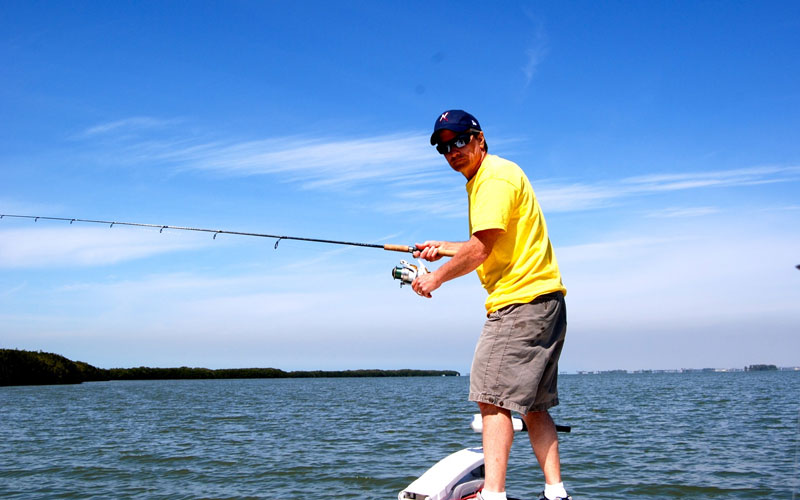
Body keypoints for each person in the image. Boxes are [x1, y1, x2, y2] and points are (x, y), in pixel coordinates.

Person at [412, 110, 571, 500]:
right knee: (533, 405)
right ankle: (556, 493)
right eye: (444, 147)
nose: (453, 151)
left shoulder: (493, 178)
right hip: (546, 301)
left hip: (518, 304)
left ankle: (493, 495)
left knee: (490, 398)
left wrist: (435, 277)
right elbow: (492, 241)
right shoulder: (495, 175)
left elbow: (480, 250)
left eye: (460, 141)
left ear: (480, 139)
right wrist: (444, 248)